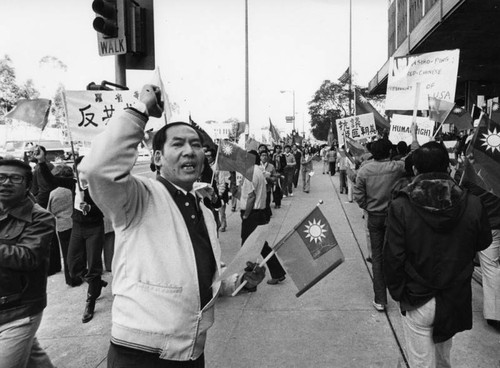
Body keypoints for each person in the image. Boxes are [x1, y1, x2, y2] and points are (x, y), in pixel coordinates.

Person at [79, 84, 265, 367]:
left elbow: (200, 272)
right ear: (156, 158)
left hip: (191, 350)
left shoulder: (202, 208)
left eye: (196, 145)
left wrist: (237, 281)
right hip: (140, 353)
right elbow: (98, 169)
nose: (190, 151)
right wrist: (141, 109)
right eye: (178, 144)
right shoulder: (136, 198)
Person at [384, 141, 492, 367]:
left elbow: (393, 258)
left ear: (415, 170)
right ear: (448, 166)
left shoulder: (401, 205)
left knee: (422, 362)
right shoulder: (472, 203)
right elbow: (483, 242)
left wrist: (399, 292)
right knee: (443, 359)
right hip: (453, 295)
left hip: (418, 298)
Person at [33, 151, 107, 323]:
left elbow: (107, 206)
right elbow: (51, 181)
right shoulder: (72, 184)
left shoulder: (99, 186)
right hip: (78, 228)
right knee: (72, 265)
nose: (81, 174)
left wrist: (92, 208)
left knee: (94, 265)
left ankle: (90, 303)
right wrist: (42, 161)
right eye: (78, 170)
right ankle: (94, 283)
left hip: (95, 228)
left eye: (84, 171)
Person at [0, 159, 55, 368]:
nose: (6, 183)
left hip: (19, 309)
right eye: (1, 177)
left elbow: (28, 257)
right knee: (34, 358)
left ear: (27, 185)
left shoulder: (40, 217)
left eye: (15, 178)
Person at [353, 138, 406, 311]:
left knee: (377, 257)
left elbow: (358, 194)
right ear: (390, 151)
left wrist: (367, 206)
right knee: (398, 253)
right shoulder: (398, 167)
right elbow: (414, 157)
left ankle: (380, 299)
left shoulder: (364, 170)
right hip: (394, 216)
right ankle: (401, 294)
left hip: (374, 216)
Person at [240, 151, 286, 286]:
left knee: (250, 246)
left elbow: (251, 196)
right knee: (258, 245)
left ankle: (252, 277)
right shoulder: (259, 171)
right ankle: (275, 273)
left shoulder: (249, 173)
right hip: (259, 212)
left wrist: (245, 215)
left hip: (252, 214)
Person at [462, 181, 500, 332]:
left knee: (489, 267)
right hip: (494, 225)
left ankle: (495, 314)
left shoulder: (473, 177)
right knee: (492, 266)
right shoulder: (494, 171)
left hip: (486, 225)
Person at [47, 164, 82, 286]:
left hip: (62, 226)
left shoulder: (54, 193)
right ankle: (79, 274)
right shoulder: (75, 189)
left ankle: (70, 278)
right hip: (76, 223)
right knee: (77, 252)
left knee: (66, 252)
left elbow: (49, 211)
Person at [258, 149, 277, 221]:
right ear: (260, 157)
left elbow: (275, 177)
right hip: (259, 188)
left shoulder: (271, 166)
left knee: (267, 201)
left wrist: (269, 178)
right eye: (262, 155)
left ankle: (267, 214)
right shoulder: (257, 166)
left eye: (265, 155)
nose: (264, 157)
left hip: (267, 188)